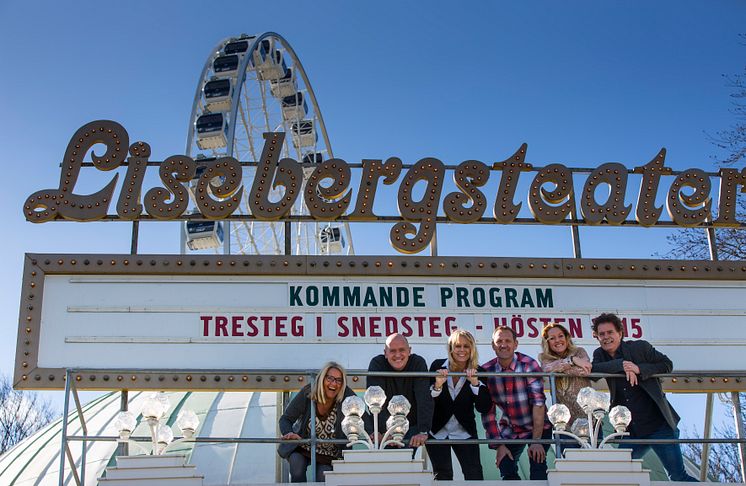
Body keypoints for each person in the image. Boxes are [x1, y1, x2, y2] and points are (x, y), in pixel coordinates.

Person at [590, 312, 697, 482]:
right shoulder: (600, 355)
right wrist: (622, 365)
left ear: (620, 333)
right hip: (632, 431)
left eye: (610, 332)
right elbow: (593, 372)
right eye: (601, 334)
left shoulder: (640, 347)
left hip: (659, 426)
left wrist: (638, 369)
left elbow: (666, 364)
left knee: (678, 476)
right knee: (615, 474)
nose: (606, 337)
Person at [481, 326, 552, 480]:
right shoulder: (486, 371)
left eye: (508, 341)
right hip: (511, 429)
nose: (503, 344)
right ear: (493, 345)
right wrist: (499, 445)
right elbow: (488, 413)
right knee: (505, 468)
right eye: (499, 341)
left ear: (515, 344)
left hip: (538, 428)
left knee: (538, 467)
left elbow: (538, 404)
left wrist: (536, 441)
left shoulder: (528, 365)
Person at [427, 329, 492, 480]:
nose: (462, 350)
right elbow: (427, 403)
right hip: (437, 431)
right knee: (442, 476)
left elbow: (484, 407)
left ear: (472, 349)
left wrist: (475, 383)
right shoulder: (437, 366)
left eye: (466, 346)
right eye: (457, 346)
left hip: (465, 432)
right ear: (451, 348)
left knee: (474, 474)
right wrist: (437, 386)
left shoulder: (480, 371)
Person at [278, 362, 356, 482]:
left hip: (330, 452)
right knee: (296, 467)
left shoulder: (346, 395)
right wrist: (289, 433)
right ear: (322, 379)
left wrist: (373, 433)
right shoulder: (308, 392)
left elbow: (362, 415)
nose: (334, 383)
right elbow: (285, 419)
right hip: (304, 445)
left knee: (323, 476)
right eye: (330, 378)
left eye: (339, 380)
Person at [365, 333, 433, 448]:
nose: (397, 355)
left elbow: (424, 398)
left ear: (409, 351)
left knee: (406, 461)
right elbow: (375, 402)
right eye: (392, 351)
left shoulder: (417, 363)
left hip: (412, 426)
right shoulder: (377, 363)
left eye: (402, 350)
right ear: (385, 353)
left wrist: (423, 431)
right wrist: (383, 432)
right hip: (384, 428)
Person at [539, 322, 592, 430]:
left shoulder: (579, 352)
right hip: (564, 423)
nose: (558, 340)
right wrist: (573, 361)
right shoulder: (544, 357)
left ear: (567, 337)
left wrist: (560, 367)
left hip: (589, 420)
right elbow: (547, 369)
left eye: (560, 336)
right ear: (547, 342)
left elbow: (584, 370)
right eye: (552, 338)